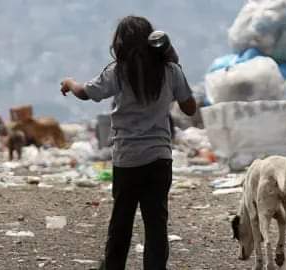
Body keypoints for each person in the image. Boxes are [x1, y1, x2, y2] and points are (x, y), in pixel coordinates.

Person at [59, 16, 196, 270]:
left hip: (127, 158)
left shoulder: (118, 71)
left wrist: (69, 83)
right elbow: (190, 108)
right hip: (159, 158)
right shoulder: (170, 71)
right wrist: (174, 62)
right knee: (156, 224)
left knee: (121, 221)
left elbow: (86, 93)